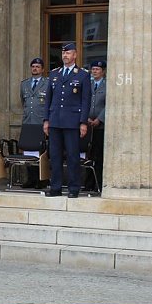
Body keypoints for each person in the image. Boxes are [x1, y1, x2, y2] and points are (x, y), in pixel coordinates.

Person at [43, 43, 91, 198]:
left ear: (75, 55)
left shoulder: (82, 74)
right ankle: (55, 187)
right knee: (55, 156)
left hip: (72, 121)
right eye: (63, 53)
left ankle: (73, 188)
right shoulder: (54, 74)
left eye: (68, 53)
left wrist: (83, 122)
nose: (65, 55)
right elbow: (48, 99)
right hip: (55, 120)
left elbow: (85, 100)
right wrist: (46, 120)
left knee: (72, 156)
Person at [86, 60, 106, 192]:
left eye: (97, 69)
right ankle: (88, 183)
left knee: (99, 156)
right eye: (93, 69)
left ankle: (98, 183)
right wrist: (85, 118)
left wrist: (100, 119)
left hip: (101, 126)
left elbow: (108, 104)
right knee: (88, 156)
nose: (94, 71)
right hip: (87, 125)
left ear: (103, 71)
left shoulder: (107, 85)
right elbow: (84, 101)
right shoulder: (88, 84)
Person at [20, 57, 49, 125]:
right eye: (33, 66)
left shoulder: (47, 83)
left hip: (41, 120)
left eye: (37, 67)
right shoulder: (24, 84)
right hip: (27, 120)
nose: (34, 68)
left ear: (42, 70)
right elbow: (23, 101)